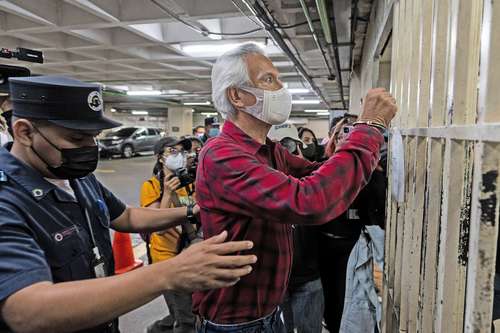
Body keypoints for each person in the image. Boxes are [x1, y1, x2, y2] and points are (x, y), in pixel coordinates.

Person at [0, 76, 258, 333]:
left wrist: (193, 211)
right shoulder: (7, 199)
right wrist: (169, 273)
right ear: (25, 132)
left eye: (95, 137)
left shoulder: (73, 176)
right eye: (78, 139)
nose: (91, 148)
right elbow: (26, 310)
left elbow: (127, 217)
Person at [193, 42, 397, 333]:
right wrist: (369, 127)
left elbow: (319, 176)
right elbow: (309, 201)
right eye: (268, 80)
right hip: (235, 323)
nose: (280, 88)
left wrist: (352, 152)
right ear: (237, 96)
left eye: (278, 79)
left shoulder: (269, 151)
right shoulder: (222, 155)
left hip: (268, 312)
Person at [319, 116, 387, 332]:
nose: (342, 140)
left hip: (352, 248)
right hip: (321, 250)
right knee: (328, 307)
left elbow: (377, 219)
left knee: (350, 306)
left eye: (349, 135)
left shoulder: (372, 176)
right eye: (338, 136)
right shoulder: (322, 169)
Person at [269, 124, 324, 333]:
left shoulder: (309, 181)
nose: (288, 151)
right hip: (274, 278)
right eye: (282, 146)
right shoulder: (262, 182)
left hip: (308, 275)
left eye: (292, 145)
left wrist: (299, 163)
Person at [141, 136, 199, 333]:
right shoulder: (151, 187)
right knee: (186, 320)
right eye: (172, 151)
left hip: (189, 256)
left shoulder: (188, 184)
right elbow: (160, 227)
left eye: (181, 152)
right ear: (160, 158)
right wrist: (167, 194)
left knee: (186, 312)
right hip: (166, 260)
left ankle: (156, 330)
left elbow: (193, 216)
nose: (179, 156)